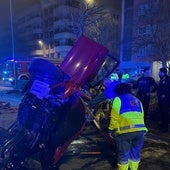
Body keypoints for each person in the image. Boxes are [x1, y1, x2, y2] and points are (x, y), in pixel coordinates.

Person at [108, 83, 148, 170]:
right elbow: (142, 116)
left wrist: (111, 130)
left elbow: (114, 117)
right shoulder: (138, 101)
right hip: (140, 132)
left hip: (124, 133)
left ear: (118, 91)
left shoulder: (118, 99)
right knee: (135, 155)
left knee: (123, 156)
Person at [157, 67, 170, 133]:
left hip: (166, 100)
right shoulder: (161, 80)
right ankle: (162, 125)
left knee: (165, 113)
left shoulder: (168, 79)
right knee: (162, 112)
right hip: (161, 100)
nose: (158, 73)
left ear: (163, 73)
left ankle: (165, 128)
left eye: (159, 72)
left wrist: (166, 95)